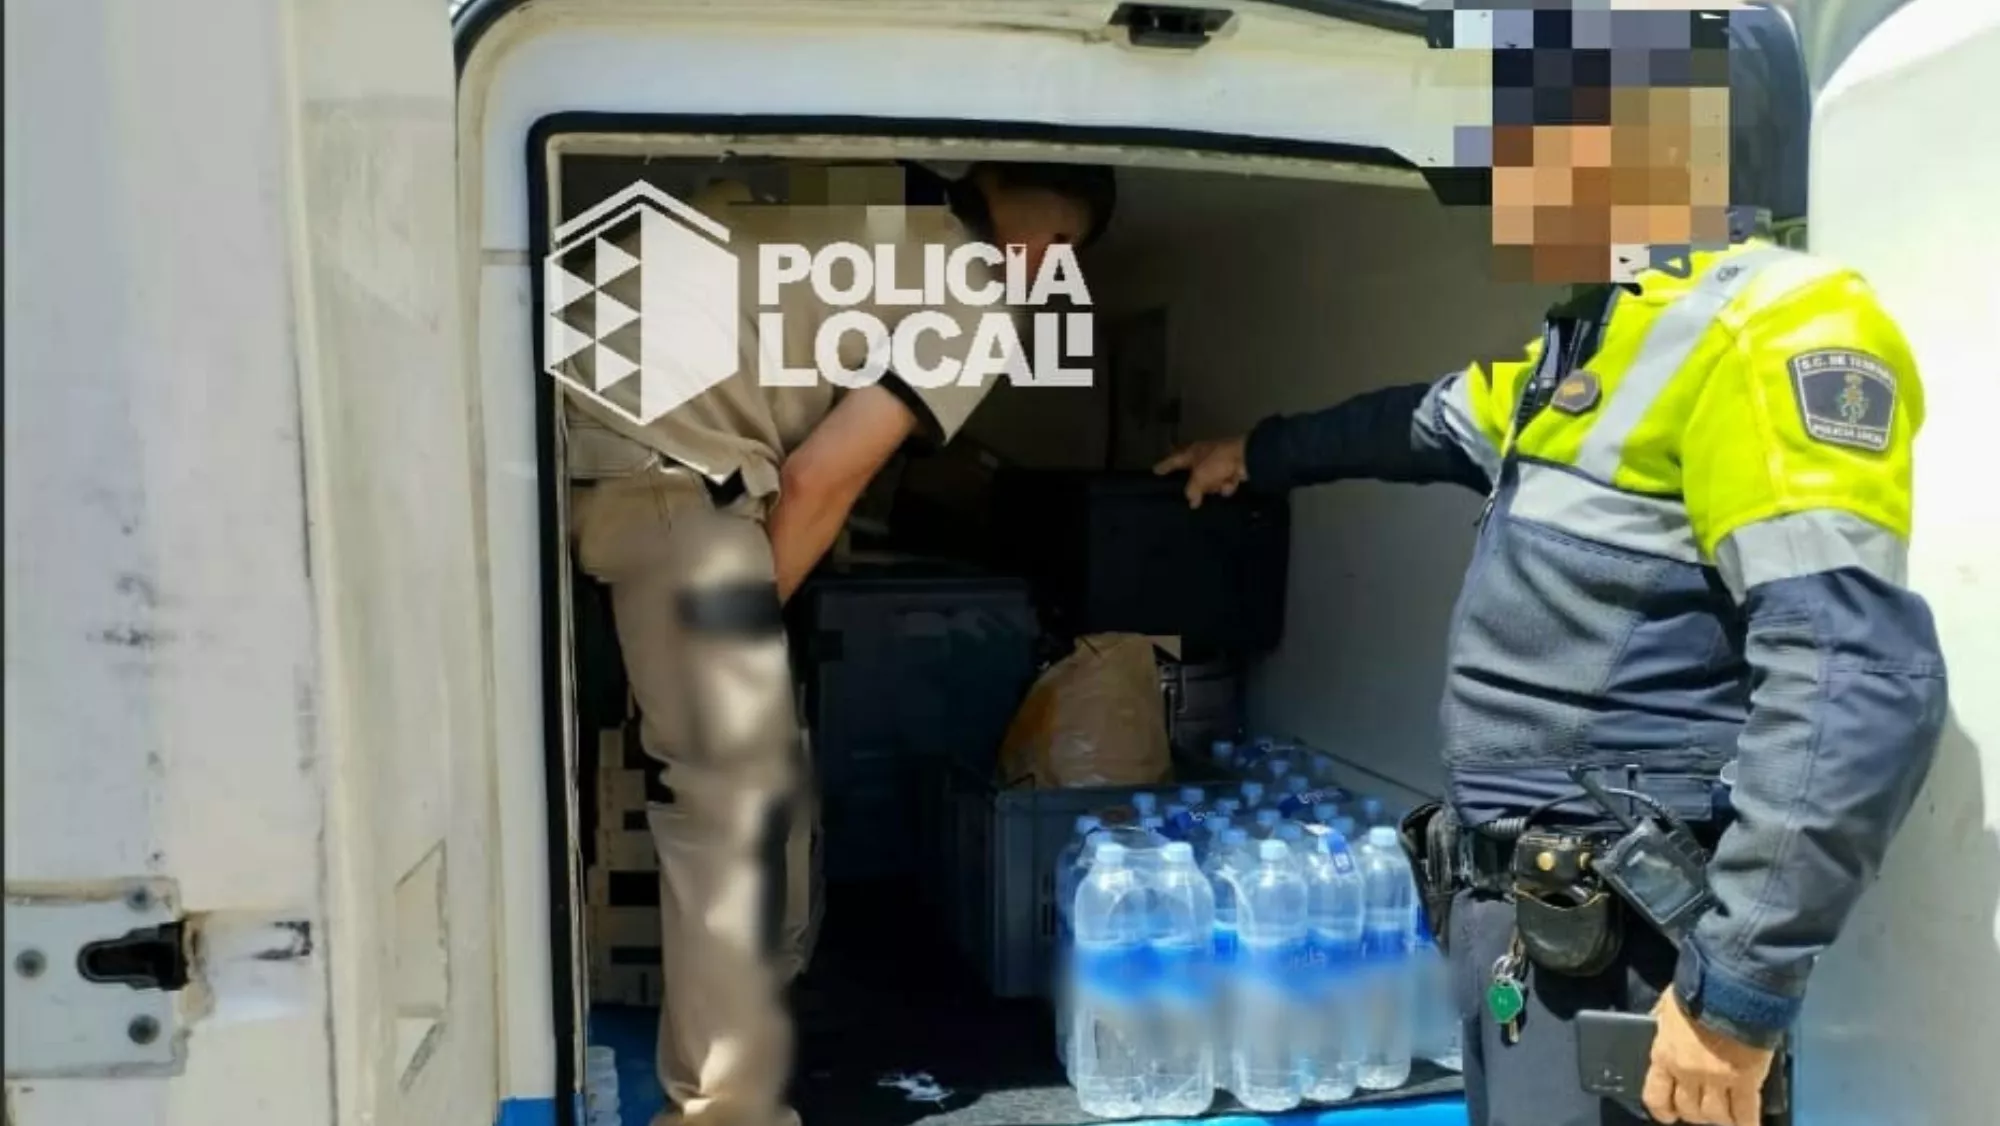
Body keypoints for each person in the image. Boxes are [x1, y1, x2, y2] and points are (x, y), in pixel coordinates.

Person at [1156, 7, 1946, 1126]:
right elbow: (1417, 424)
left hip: (1634, 953)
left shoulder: (1767, 330)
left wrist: (1733, 995)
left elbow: (1853, 680)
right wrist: (1252, 453)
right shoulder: (1587, 348)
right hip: (1525, 927)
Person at [564, 159, 1116, 1126]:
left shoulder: (851, 182)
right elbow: (822, 478)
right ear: (1031, 225)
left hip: (555, 407)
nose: (1047, 266)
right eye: (1060, 243)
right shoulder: (976, 299)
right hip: (675, 473)